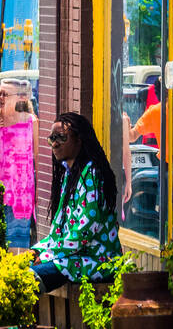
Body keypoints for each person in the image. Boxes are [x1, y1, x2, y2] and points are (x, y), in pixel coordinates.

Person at [31, 112, 122, 293]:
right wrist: (37, 250)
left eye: (61, 138)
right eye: (52, 139)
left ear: (79, 140)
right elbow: (58, 231)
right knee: (16, 268)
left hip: (99, 261)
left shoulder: (93, 175)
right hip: (74, 258)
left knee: (28, 281)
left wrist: (48, 255)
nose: (55, 144)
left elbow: (82, 233)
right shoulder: (70, 175)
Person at [0, 78, 37, 249]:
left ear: (18, 97)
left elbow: (37, 158)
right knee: (3, 242)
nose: (1, 98)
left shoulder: (31, 121)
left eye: (5, 94)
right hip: (3, 190)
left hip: (22, 192)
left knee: (19, 243)